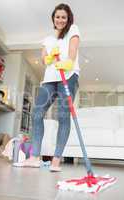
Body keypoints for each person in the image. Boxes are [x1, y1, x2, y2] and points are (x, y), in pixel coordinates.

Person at [13, 3, 80, 171]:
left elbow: (73, 50)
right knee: (37, 114)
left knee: (63, 116)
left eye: (64, 17)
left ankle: (56, 160)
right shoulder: (48, 39)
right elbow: (43, 59)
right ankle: (35, 157)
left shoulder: (73, 30)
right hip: (50, 79)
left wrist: (69, 62)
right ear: (53, 18)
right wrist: (48, 59)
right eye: (57, 16)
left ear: (68, 18)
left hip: (69, 76)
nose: (60, 20)